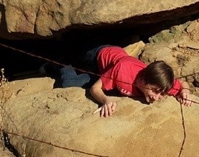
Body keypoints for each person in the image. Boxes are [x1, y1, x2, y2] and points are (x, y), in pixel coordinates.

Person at [59, 45, 192, 117]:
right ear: (145, 79)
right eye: (155, 91)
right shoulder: (123, 70)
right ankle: (60, 63)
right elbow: (95, 89)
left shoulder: (160, 83)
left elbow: (181, 83)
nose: (157, 97)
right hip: (101, 55)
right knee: (77, 58)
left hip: (105, 74)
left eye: (161, 94)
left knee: (69, 83)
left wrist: (185, 92)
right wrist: (105, 100)